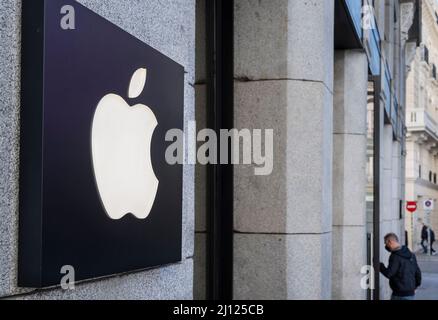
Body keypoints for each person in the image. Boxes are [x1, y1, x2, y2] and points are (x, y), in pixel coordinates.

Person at [380, 233, 422, 300]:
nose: (386, 246)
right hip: (411, 293)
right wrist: (415, 286)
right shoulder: (411, 254)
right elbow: (417, 272)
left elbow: (389, 273)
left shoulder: (395, 256)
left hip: (399, 294)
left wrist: (379, 265)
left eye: (386, 243)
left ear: (390, 242)